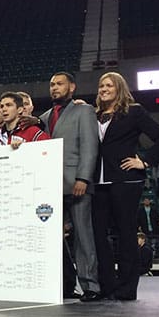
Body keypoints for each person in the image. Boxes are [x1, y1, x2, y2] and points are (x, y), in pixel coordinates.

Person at [91, 71, 159, 301]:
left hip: (126, 181)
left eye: (108, 85)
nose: (103, 89)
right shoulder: (93, 115)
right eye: (101, 86)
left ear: (119, 88)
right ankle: (107, 285)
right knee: (98, 235)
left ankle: (127, 288)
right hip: (98, 182)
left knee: (125, 234)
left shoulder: (134, 111)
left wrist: (144, 161)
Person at [40, 71, 101, 302]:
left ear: (72, 87)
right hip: (50, 185)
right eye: (52, 84)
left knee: (83, 236)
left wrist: (83, 178)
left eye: (59, 84)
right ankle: (61, 284)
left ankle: (90, 285)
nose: (54, 88)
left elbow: (89, 146)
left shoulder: (84, 111)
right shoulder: (45, 117)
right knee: (52, 238)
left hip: (77, 183)